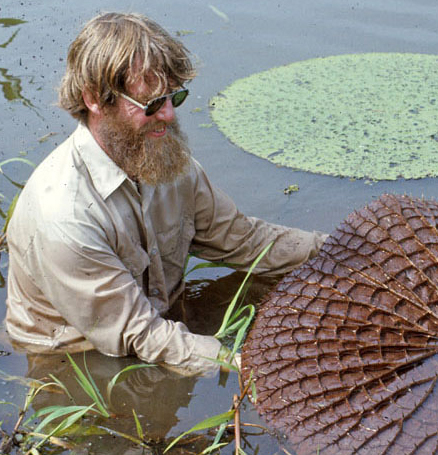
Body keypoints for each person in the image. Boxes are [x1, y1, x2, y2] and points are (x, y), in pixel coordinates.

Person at [5, 12, 327, 373]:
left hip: (156, 320)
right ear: (95, 100)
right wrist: (246, 367)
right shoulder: (64, 217)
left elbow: (246, 241)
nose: (170, 116)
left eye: (175, 97)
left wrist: (342, 250)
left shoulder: (165, 160)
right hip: (81, 360)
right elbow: (142, 336)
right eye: (152, 105)